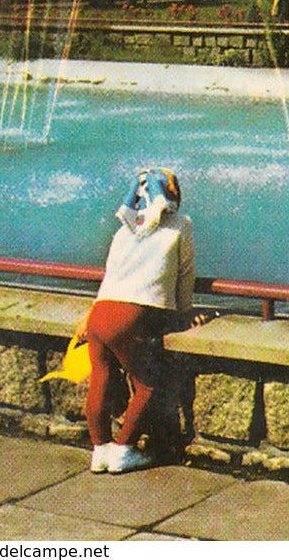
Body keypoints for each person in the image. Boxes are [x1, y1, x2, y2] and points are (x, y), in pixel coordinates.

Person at [80, 168, 203, 475]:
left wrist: (89, 314)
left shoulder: (124, 229)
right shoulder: (181, 226)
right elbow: (185, 274)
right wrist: (183, 314)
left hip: (101, 313)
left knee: (101, 379)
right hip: (132, 315)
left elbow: (110, 274)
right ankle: (124, 449)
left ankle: (100, 450)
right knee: (149, 386)